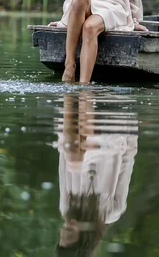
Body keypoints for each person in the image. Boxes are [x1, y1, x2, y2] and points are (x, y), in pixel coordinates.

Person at [54, 91, 138, 256]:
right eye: (69, 233)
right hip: (111, 132)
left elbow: (63, 161)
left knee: (72, 156)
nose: (66, 226)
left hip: (81, 134)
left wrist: (62, 124)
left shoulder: (66, 207)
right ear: (84, 238)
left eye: (63, 231)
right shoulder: (112, 212)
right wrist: (130, 123)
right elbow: (127, 160)